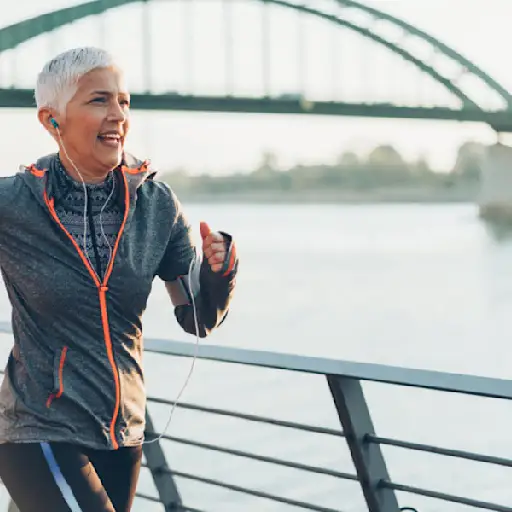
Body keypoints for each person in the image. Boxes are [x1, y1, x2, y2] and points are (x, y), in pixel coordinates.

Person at [0, 47, 238, 511]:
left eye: (124, 102)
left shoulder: (156, 204)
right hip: (35, 428)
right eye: (99, 101)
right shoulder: (13, 204)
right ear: (52, 120)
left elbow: (197, 317)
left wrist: (219, 272)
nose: (118, 116)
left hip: (122, 434)